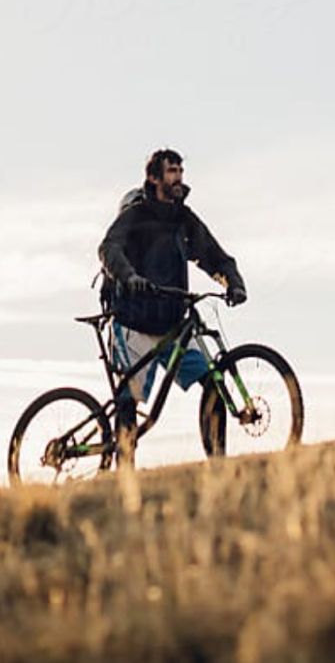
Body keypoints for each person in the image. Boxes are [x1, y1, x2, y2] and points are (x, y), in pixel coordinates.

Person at [98, 149, 247, 463]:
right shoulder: (135, 215)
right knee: (129, 400)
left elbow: (213, 255)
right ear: (154, 178)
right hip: (133, 322)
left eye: (180, 171)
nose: (178, 178)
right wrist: (129, 276)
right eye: (171, 172)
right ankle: (125, 476)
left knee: (213, 383)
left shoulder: (183, 219)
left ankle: (218, 462)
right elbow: (109, 248)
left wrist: (232, 282)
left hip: (171, 323)